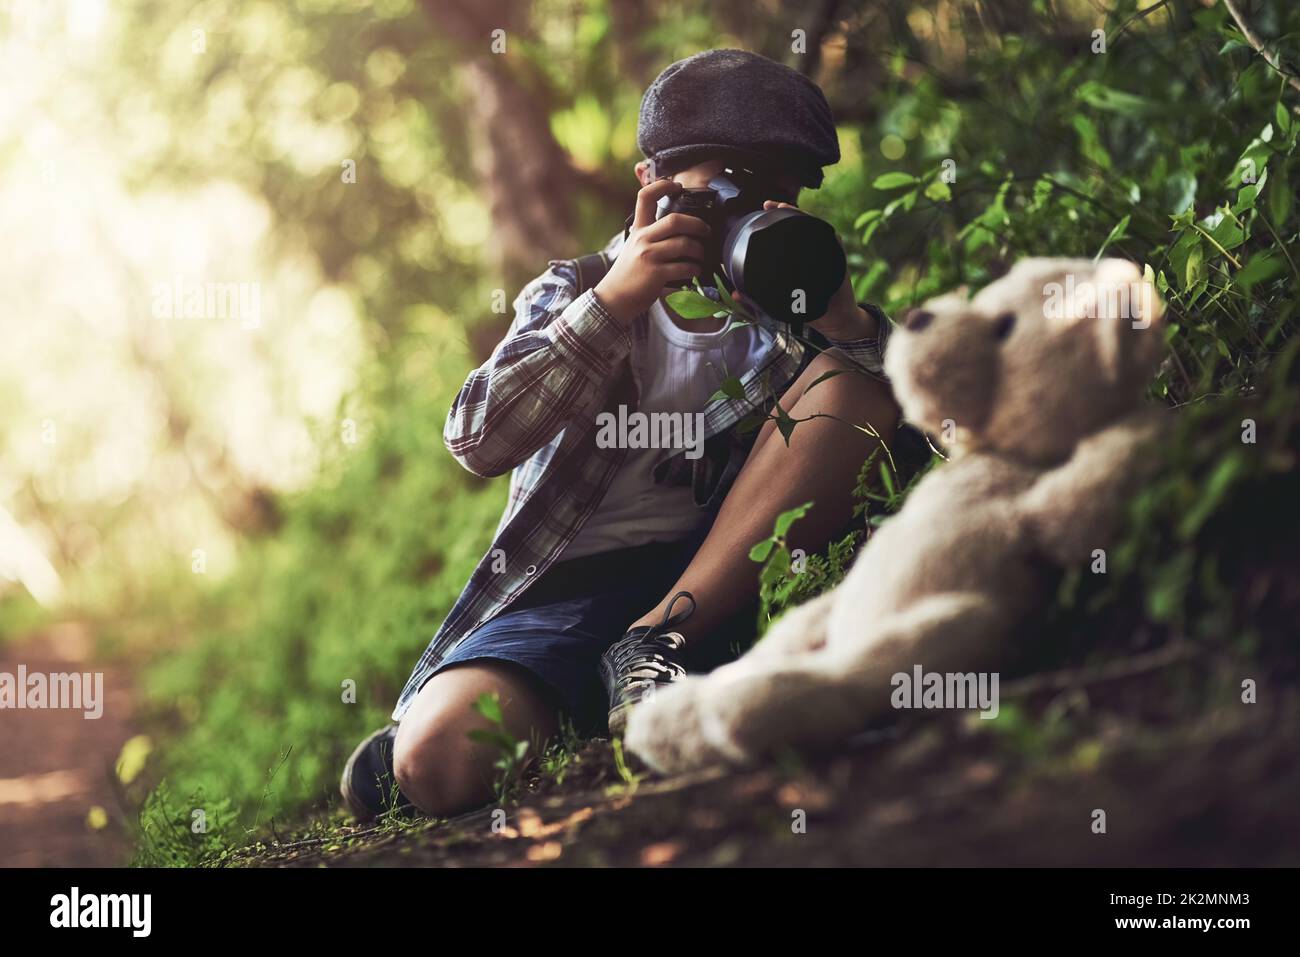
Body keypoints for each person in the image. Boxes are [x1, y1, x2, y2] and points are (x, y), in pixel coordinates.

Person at [341, 49, 900, 819]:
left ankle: (644, 652)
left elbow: (908, 423)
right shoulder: (573, 290)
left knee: (857, 379)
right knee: (438, 761)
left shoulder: (792, 329)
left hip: (711, 586)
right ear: (652, 188)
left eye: (779, 199)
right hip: (559, 602)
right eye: (728, 194)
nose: (752, 221)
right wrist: (613, 302)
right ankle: (463, 719)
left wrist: (843, 320)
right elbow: (476, 436)